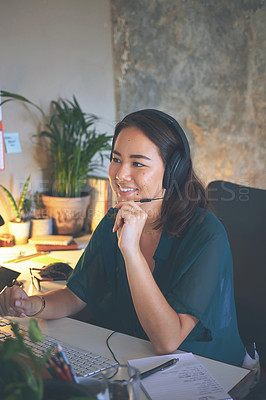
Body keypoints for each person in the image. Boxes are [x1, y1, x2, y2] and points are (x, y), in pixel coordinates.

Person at [0, 109, 246, 366]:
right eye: (116, 159)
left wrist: (130, 250)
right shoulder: (114, 220)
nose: (120, 174)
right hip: (136, 358)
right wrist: (31, 305)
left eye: (138, 163)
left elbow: (167, 341)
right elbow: (75, 295)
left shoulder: (206, 233)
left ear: (172, 173)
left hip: (210, 369)